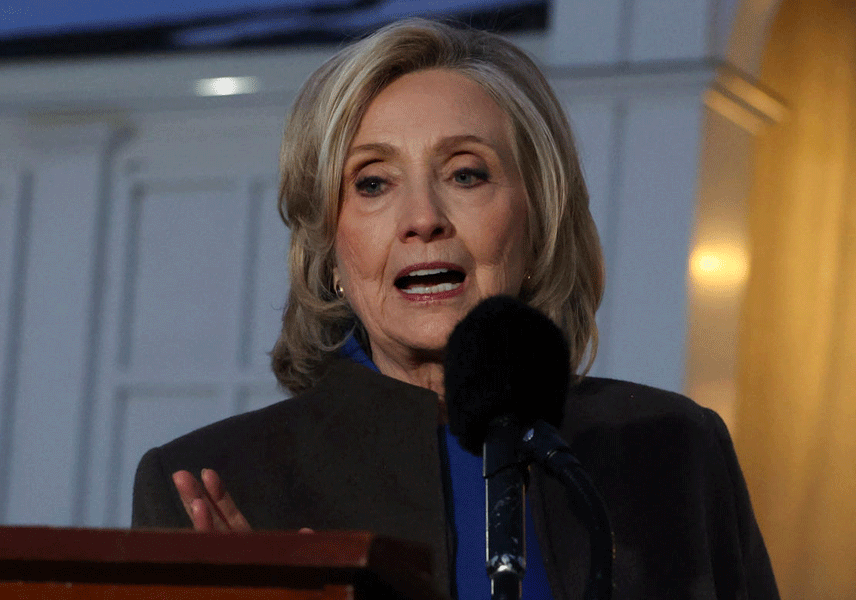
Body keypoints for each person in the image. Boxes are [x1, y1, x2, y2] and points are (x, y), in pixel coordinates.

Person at [132, 18, 780, 600]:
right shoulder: (210, 483)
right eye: (373, 183)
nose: (423, 218)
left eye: (466, 174)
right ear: (329, 248)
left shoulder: (675, 449)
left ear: (538, 222)